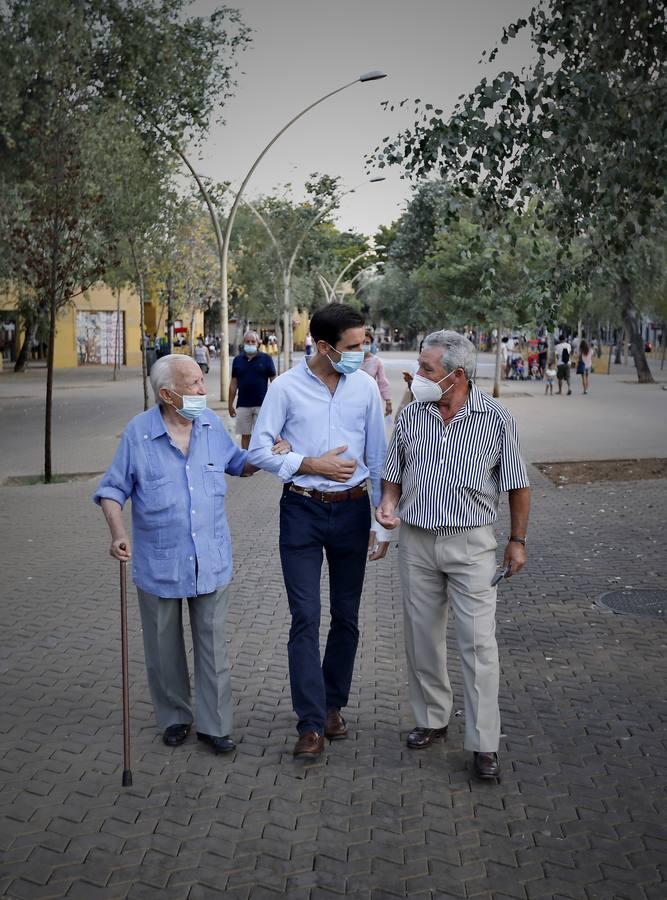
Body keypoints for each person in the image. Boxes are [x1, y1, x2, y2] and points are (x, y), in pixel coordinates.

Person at [94, 354, 286, 755]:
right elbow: (112, 490)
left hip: (210, 559)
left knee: (213, 649)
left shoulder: (210, 424)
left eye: (203, 380)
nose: (203, 390)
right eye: (194, 384)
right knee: (163, 651)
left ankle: (215, 725)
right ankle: (175, 717)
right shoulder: (138, 434)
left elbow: (238, 463)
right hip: (159, 561)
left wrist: (269, 454)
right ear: (167, 394)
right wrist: (117, 533)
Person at [376, 330, 531, 783]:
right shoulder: (410, 416)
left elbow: (519, 484)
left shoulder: (497, 419)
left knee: (478, 643)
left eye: (426, 369)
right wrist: (388, 503)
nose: (417, 375)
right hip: (419, 543)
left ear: (456, 375)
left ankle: (484, 743)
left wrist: (517, 540)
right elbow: (393, 473)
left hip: (472, 545)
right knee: (422, 637)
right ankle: (432, 719)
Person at [248, 304, 391, 760]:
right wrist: (309, 463)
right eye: (353, 346)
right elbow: (257, 451)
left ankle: (333, 706)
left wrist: (378, 523)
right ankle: (309, 723)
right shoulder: (286, 388)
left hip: (351, 513)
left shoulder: (366, 387)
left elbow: (379, 455)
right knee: (305, 617)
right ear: (325, 346)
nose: (362, 352)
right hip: (302, 512)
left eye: (363, 343)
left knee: (346, 617)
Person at [229, 331, 277, 450]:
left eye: (253, 341)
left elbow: (275, 382)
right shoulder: (237, 360)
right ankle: (246, 459)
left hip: (262, 405)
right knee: (245, 435)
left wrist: (276, 403)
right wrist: (230, 404)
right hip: (243, 405)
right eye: (247, 342)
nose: (250, 344)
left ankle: (261, 458)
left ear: (258, 343)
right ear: (243, 343)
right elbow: (233, 384)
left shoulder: (266, 359)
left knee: (261, 435)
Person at [360, 329, 393, 417]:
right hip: (351, 398)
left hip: (370, 398)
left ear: (371, 344)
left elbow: (382, 381)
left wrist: (388, 401)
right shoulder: (351, 359)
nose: (365, 345)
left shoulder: (376, 361)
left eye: (367, 343)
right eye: (362, 342)